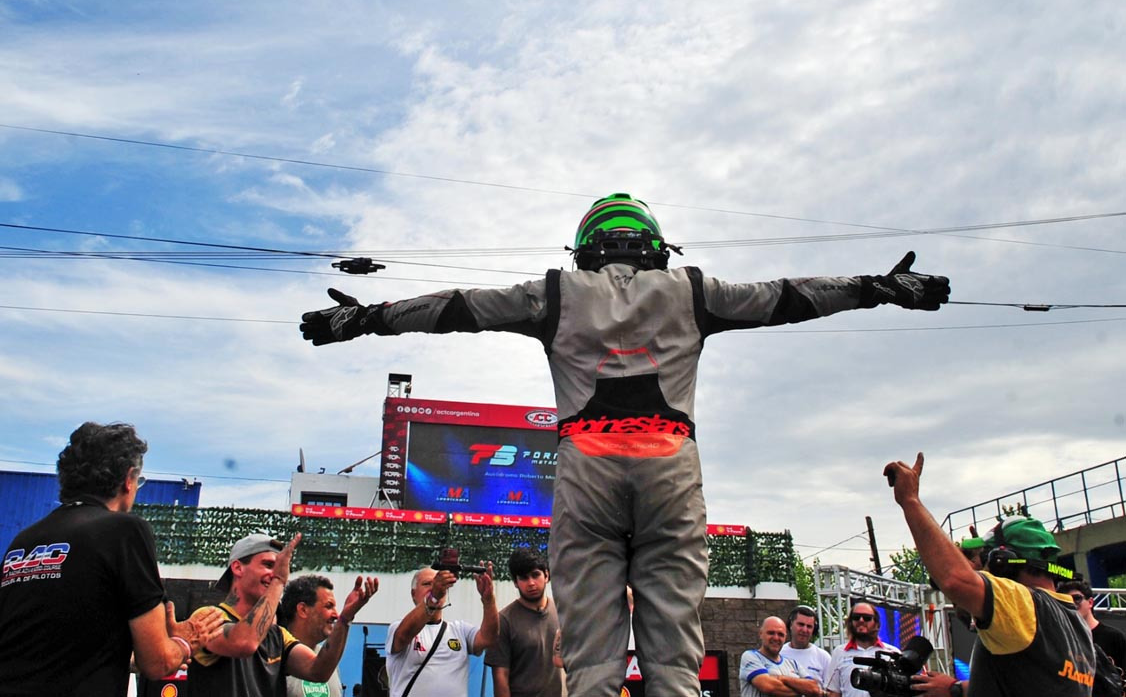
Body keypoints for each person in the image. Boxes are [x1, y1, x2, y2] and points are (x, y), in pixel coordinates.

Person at [301, 193, 950, 696]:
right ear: (655, 246)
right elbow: (788, 297)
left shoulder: (555, 293)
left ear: (586, 249)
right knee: (674, 663)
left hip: (586, 469)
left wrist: (365, 318)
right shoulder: (693, 290)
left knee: (590, 665)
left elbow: (459, 307)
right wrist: (880, 288)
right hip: (671, 467)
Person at [0, 421, 224, 696]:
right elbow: (157, 663)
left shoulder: (24, 541)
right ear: (128, 479)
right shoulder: (125, 531)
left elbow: (54, 648)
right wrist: (186, 641)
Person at [885, 453, 1096, 696]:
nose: (980, 569)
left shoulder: (1026, 605)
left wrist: (910, 500)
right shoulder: (1076, 625)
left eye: (985, 559)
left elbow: (955, 579)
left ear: (1003, 562)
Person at [187, 532, 378, 696]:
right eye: (268, 565)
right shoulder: (206, 618)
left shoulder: (277, 635)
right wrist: (278, 580)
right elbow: (245, 642)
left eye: (278, 567)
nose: (275, 573)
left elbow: (318, 671)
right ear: (238, 568)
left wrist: (345, 619)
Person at [386, 564, 498, 697]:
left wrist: (489, 600)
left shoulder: (460, 630)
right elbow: (403, 636)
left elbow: (488, 639)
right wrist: (432, 598)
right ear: (413, 594)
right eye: (427, 584)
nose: (434, 588)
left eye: (439, 584)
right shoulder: (398, 627)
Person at [279, 574, 379, 697]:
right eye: (328, 606)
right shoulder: (276, 656)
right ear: (303, 610)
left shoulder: (326, 659)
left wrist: (347, 617)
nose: (336, 615)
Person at [486, 549, 564, 697]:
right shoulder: (504, 621)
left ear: (546, 575)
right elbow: (500, 677)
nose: (531, 583)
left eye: (535, 575)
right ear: (516, 582)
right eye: (524, 578)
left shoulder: (562, 613)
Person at [824, 602, 900, 697]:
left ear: (876, 623)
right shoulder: (840, 652)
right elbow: (834, 692)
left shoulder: (892, 652)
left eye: (867, 618)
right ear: (850, 622)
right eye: (856, 617)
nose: (861, 620)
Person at [740, 616, 825, 697]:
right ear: (761, 634)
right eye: (771, 633)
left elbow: (814, 688)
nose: (776, 638)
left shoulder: (793, 664)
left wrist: (781, 678)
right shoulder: (751, 657)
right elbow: (769, 687)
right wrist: (801, 689)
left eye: (780, 634)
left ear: (785, 637)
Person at [1060, 579, 1126, 668]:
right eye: (1066, 601)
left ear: (1090, 602)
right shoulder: (1062, 638)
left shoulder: (1114, 637)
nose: (1072, 604)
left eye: (1076, 598)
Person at [780, 605, 831, 686]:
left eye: (809, 626)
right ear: (791, 625)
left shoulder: (823, 657)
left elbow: (831, 690)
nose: (804, 630)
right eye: (801, 624)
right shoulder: (779, 653)